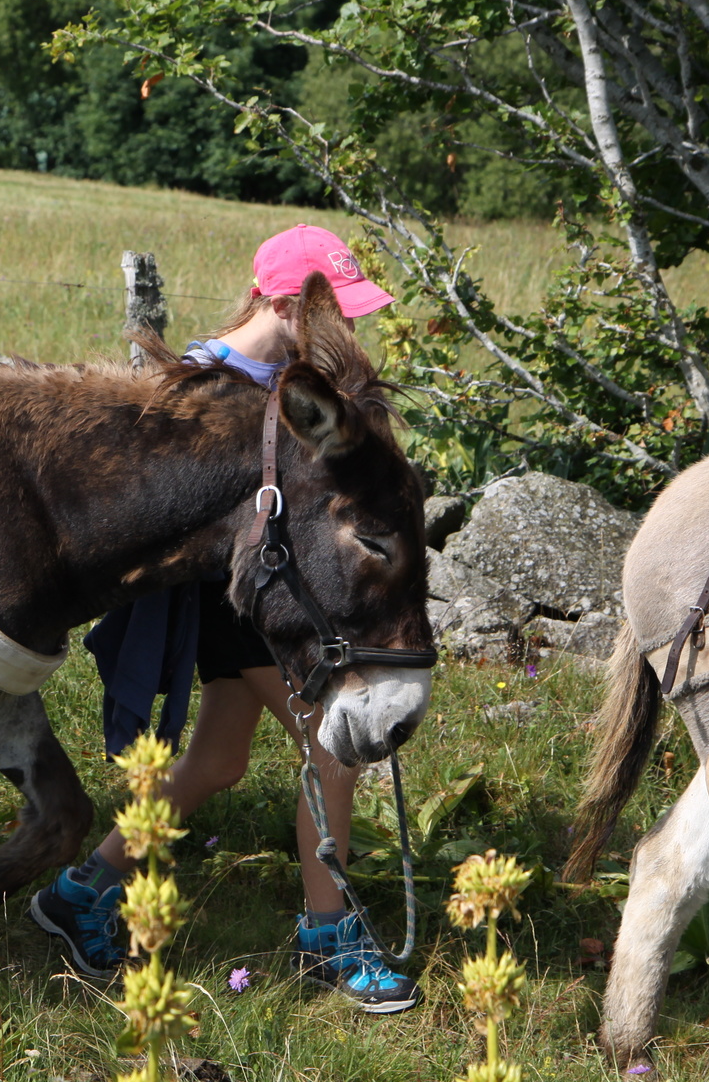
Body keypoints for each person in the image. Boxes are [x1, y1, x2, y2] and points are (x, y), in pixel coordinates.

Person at [29, 224, 421, 1014]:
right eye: (336, 311)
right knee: (333, 751)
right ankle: (329, 939)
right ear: (283, 302)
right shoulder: (214, 382)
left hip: (264, 602)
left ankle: (81, 891)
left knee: (217, 763)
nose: (349, 328)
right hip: (239, 603)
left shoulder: (290, 384)